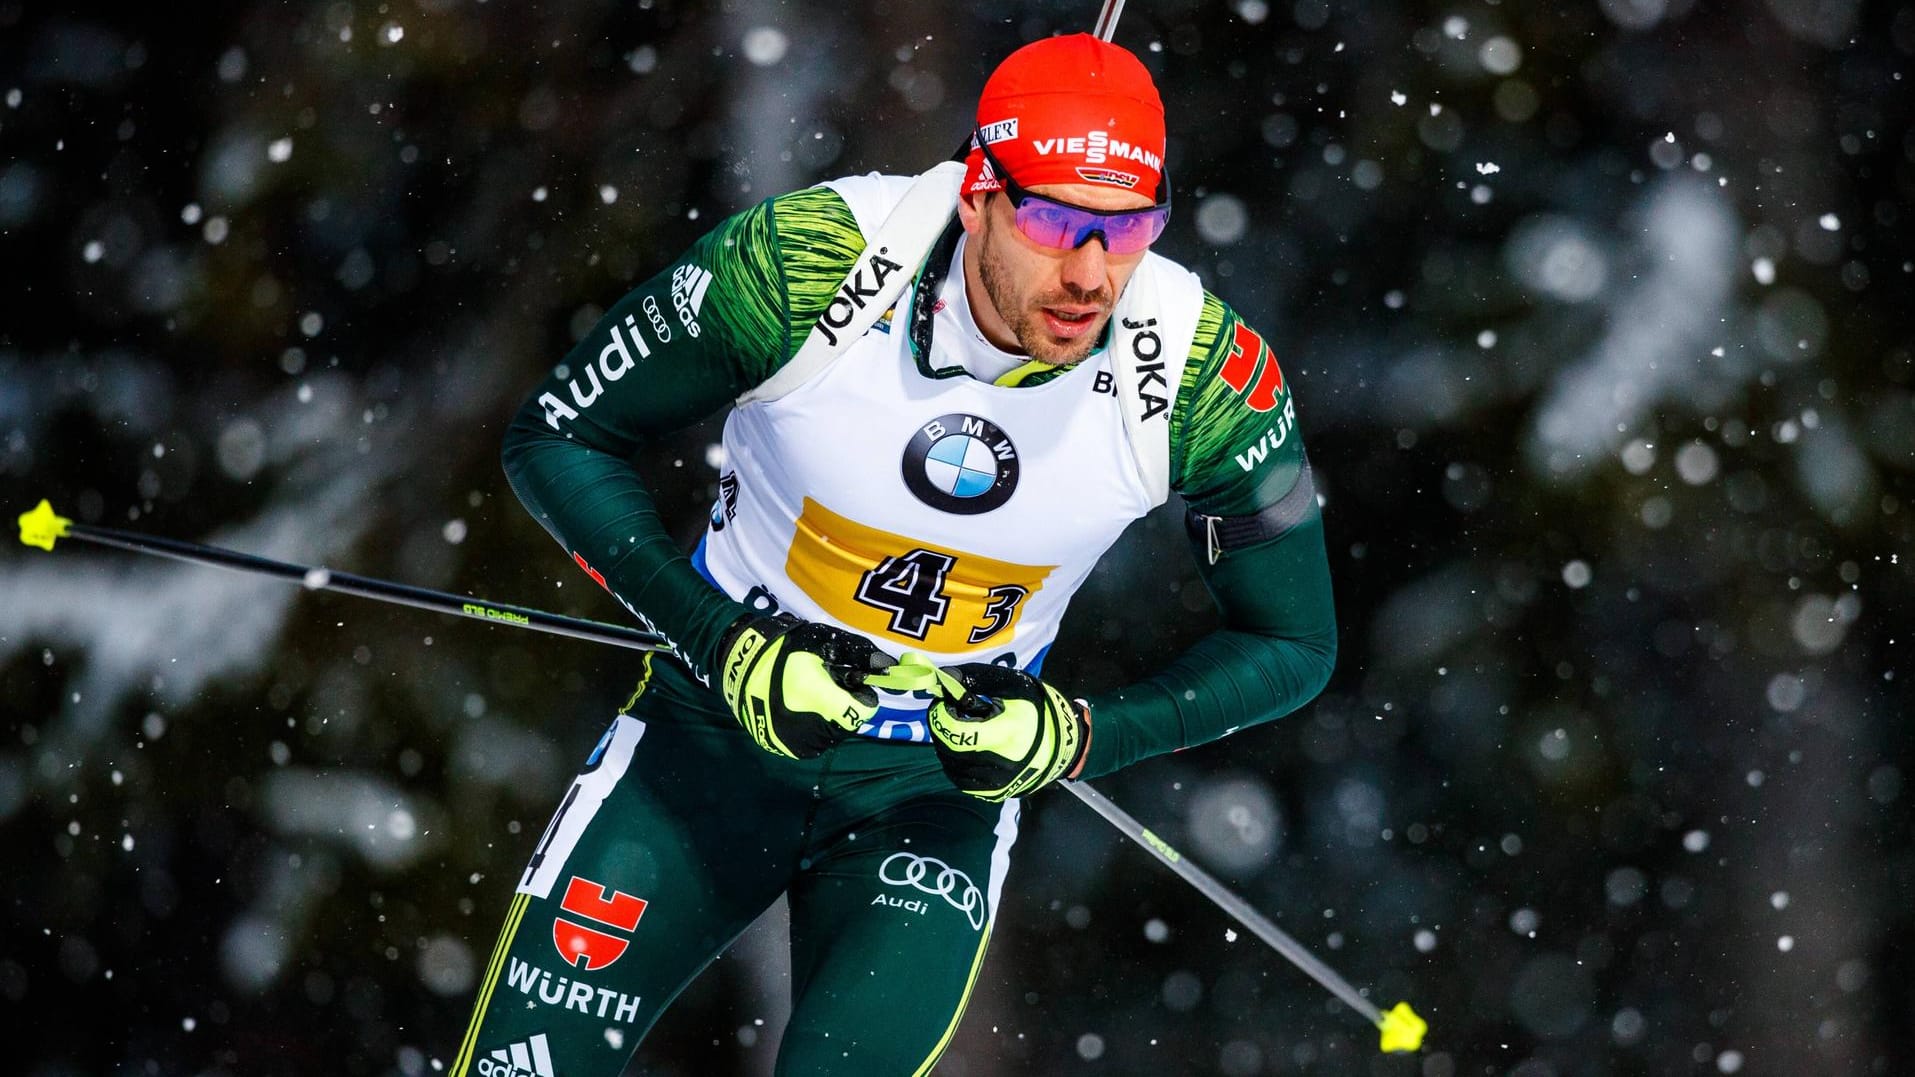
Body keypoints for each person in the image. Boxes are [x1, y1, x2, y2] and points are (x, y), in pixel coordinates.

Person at [453, 33, 1336, 1077]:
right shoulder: (806, 265)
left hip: (929, 803)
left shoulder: (1201, 378)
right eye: (1055, 222)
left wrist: (1078, 734)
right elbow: (558, 434)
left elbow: (1293, 640)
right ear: (977, 196)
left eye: (1130, 226)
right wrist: (722, 642)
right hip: (702, 751)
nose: (1092, 274)